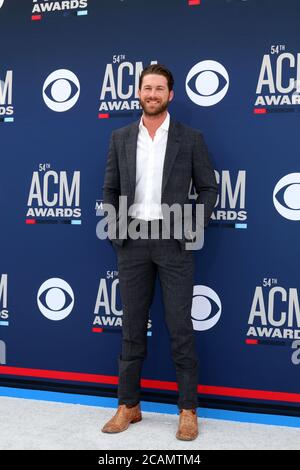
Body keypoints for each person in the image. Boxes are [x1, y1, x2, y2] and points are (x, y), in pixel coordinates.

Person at [101, 64, 218, 441]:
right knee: (132, 327)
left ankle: (187, 410)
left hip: (174, 242)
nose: (152, 94)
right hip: (131, 241)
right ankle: (128, 405)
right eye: (146, 88)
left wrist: (190, 226)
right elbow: (109, 188)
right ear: (139, 93)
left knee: (180, 328)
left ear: (170, 95)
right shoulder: (120, 137)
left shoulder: (191, 138)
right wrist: (117, 230)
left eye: (159, 89)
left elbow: (208, 188)